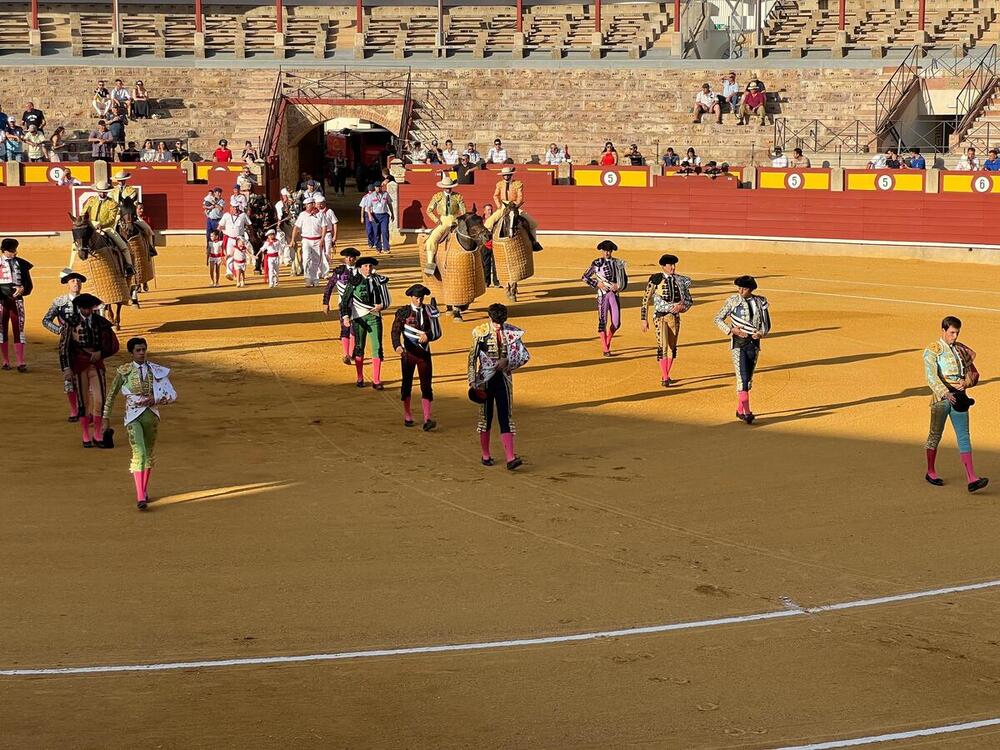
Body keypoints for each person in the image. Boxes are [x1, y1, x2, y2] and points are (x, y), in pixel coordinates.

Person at [103, 337, 177, 511]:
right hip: (132, 417)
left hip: (151, 416)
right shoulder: (124, 372)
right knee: (140, 453)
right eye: (138, 350)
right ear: (131, 353)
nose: (142, 353)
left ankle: (143, 490)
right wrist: (105, 418)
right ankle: (140, 495)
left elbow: (172, 394)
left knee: (148, 454)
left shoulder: (156, 371)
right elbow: (111, 395)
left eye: (143, 349)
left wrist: (156, 398)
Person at [923, 316, 988, 493]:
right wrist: (945, 392)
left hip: (960, 397)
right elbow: (931, 377)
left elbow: (973, 373)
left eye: (957, 333)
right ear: (943, 331)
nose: (954, 336)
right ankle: (930, 471)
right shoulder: (933, 350)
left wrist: (965, 383)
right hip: (942, 399)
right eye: (951, 332)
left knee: (964, 436)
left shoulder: (959, 349)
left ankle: (972, 478)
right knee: (935, 435)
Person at [467, 303, 529, 470]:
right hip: (485, 382)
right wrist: (472, 381)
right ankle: (485, 455)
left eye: (501, 322)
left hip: (503, 380)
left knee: (505, 416)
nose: (499, 326)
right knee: (485, 418)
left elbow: (524, 355)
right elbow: (472, 358)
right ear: (490, 318)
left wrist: (507, 361)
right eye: (496, 322)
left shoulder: (511, 332)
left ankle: (510, 458)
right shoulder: (480, 333)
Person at [59, 292, 120, 447]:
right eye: (84, 308)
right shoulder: (71, 323)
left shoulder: (101, 322)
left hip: (96, 364)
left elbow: (113, 345)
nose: (87, 311)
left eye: (89, 308)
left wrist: (101, 353)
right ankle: (86, 434)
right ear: (79, 308)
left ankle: (97, 433)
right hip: (79, 365)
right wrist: (66, 368)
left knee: (100, 399)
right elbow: (63, 348)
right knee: (84, 401)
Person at [714, 275, 771, 424]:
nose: (740, 291)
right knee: (743, 378)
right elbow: (718, 319)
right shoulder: (732, 301)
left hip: (754, 344)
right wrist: (731, 330)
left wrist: (761, 333)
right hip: (738, 344)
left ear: (751, 289)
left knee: (748, 379)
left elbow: (766, 324)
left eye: (744, 288)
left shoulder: (760, 301)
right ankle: (747, 412)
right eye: (739, 288)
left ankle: (740, 410)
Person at [391, 284, 442, 430]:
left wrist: (429, 335)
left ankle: (427, 418)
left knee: (426, 385)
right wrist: (397, 346)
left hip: (424, 354)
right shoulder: (403, 312)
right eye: (416, 298)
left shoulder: (429, 311)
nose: (419, 300)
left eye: (421, 298)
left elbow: (437, 332)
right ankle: (407, 415)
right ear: (411, 297)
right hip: (408, 353)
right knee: (407, 384)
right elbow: (395, 331)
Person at [640, 253, 692, 387]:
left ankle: (666, 374)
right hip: (660, 317)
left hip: (674, 317)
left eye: (674, 265)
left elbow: (689, 300)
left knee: (672, 348)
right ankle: (665, 377)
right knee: (662, 346)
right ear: (663, 266)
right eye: (670, 265)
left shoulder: (681, 281)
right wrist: (643, 319)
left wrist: (682, 306)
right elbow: (645, 300)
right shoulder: (655, 280)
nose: (673, 267)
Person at [42, 269, 89, 419]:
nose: (76, 283)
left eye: (78, 281)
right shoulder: (59, 302)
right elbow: (46, 320)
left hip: (85, 344)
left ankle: (86, 408)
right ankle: (74, 410)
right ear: (67, 284)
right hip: (67, 345)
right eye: (73, 281)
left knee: (86, 377)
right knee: (69, 378)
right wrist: (59, 331)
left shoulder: (88, 302)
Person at [340, 256, 391, 389]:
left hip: (374, 317)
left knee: (377, 347)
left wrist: (382, 306)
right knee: (359, 347)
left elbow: (385, 298)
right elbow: (345, 301)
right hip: (359, 319)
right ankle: (360, 377)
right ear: (360, 267)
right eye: (365, 266)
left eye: (370, 266)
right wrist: (345, 317)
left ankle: (376, 380)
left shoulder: (377, 280)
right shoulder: (354, 281)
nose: (368, 269)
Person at [582, 240, 628, 357]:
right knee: (603, 321)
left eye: (609, 251)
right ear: (602, 251)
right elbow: (585, 277)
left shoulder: (618, 263)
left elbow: (624, 280)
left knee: (616, 323)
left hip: (614, 294)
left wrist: (619, 286)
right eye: (605, 251)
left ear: (611, 251)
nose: (607, 253)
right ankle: (605, 348)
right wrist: (596, 284)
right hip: (602, 295)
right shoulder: (597, 263)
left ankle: (607, 341)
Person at [80, 180, 132, 276]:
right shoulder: (91, 200)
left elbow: (112, 219)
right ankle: (72, 266)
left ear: (107, 191)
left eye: (104, 191)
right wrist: (85, 223)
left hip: (106, 228)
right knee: (77, 244)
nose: (102, 193)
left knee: (123, 246)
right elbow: (83, 213)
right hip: (91, 227)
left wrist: (102, 225)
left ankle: (129, 266)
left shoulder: (112, 203)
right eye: (100, 191)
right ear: (97, 191)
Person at [486, 166, 542, 252]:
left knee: (532, 223)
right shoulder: (499, 184)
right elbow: (495, 196)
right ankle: (488, 243)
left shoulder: (518, 184)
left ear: (511, 175)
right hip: (503, 206)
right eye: (504, 175)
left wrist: (515, 206)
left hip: (515, 206)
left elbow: (520, 197)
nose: (506, 177)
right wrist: (499, 206)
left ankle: (534, 242)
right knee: (488, 223)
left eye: (508, 175)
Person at [323, 247, 361, 364]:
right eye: (348, 257)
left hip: (358, 305)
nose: (350, 259)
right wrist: (325, 302)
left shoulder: (360, 271)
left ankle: (351, 352)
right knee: (345, 328)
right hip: (344, 305)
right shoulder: (339, 272)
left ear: (355, 259)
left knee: (355, 329)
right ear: (345, 259)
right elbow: (329, 286)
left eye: (352, 257)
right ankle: (346, 354)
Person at [0, 238, 33, 372]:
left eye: (15, 250)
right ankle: (6, 361)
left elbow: (29, 284)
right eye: (11, 250)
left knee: (18, 329)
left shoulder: (22, 264)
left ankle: (20, 362)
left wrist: (23, 289)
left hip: (17, 301)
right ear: (4, 251)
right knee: (1, 330)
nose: (14, 253)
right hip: (1, 301)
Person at [290, 196, 328, 287]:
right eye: (306, 205)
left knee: (316, 260)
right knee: (306, 259)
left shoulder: (320, 214)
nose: (306, 206)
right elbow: (296, 227)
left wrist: (322, 239)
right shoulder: (302, 215)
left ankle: (315, 279)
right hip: (306, 240)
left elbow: (324, 227)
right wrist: (292, 240)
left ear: (313, 204)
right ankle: (307, 278)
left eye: (308, 204)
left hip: (317, 240)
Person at [315, 194, 338, 276]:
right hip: (318, 235)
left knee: (327, 251)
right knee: (318, 252)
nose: (319, 205)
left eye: (320, 203)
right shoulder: (314, 213)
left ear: (324, 203)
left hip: (327, 234)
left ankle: (326, 269)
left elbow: (334, 223)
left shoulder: (329, 211)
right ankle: (319, 270)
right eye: (317, 203)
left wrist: (335, 236)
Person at [368, 182, 394, 254]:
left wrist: (392, 213)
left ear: (381, 187)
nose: (378, 188)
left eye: (379, 187)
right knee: (376, 232)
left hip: (384, 215)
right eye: (376, 187)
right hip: (375, 215)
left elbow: (389, 204)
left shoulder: (386, 194)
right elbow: (368, 207)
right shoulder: (371, 196)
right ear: (374, 188)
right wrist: (370, 216)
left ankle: (386, 248)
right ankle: (378, 248)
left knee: (385, 231)